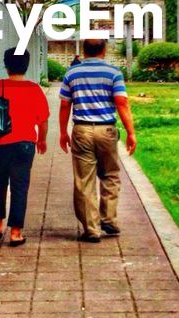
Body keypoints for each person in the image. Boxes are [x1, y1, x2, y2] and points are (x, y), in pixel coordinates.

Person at [0, 46, 49, 246]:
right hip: (25, 144)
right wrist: (42, 140)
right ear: (27, 65)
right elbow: (43, 121)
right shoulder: (34, 89)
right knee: (20, 186)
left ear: (6, 66)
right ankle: (15, 233)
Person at [58, 38, 136, 243]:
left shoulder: (72, 73)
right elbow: (122, 102)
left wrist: (62, 132)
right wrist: (131, 132)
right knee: (110, 174)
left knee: (84, 181)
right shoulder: (114, 73)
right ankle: (108, 218)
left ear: (83, 51)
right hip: (107, 130)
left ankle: (92, 229)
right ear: (104, 50)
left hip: (82, 130)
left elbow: (65, 105)